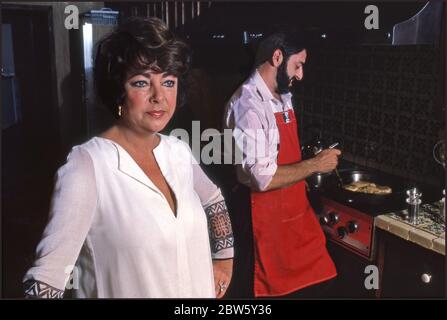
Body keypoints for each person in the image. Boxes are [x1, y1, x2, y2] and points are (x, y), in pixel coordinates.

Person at [22, 17, 234, 298]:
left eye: (168, 82)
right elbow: (47, 278)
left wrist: (224, 261)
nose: (159, 96)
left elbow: (213, 199)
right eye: (141, 82)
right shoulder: (87, 167)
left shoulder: (177, 151)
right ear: (118, 90)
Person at [223, 33, 340, 298]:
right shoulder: (247, 105)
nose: (300, 75)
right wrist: (314, 165)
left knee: (324, 279)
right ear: (277, 57)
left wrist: (311, 160)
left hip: (294, 214)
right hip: (265, 221)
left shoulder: (281, 96)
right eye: (297, 65)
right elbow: (261, 179)